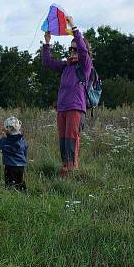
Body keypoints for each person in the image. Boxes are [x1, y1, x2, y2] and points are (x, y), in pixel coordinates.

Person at [41, 15, 92, 178]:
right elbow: (47, 62)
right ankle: (65, 167)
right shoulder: (66, 66)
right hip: (62, 108)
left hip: (76, 107)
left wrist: (74, 28)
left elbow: (83, 51)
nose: (72, 51)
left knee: (71, 138)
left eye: (75, 49)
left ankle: (72, 169)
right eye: (70, 49)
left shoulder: (85, 65)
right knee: (63, 139)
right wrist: (47, 43)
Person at [0, 116, 28, 191]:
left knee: (9, 183)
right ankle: (23, 192)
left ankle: (11, 193)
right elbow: (25, 150)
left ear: (7, 130)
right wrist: (24, 160)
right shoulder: (22, 140)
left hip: (10, 166)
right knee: (20, 180)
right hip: (21, 166)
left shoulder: (5, 141)